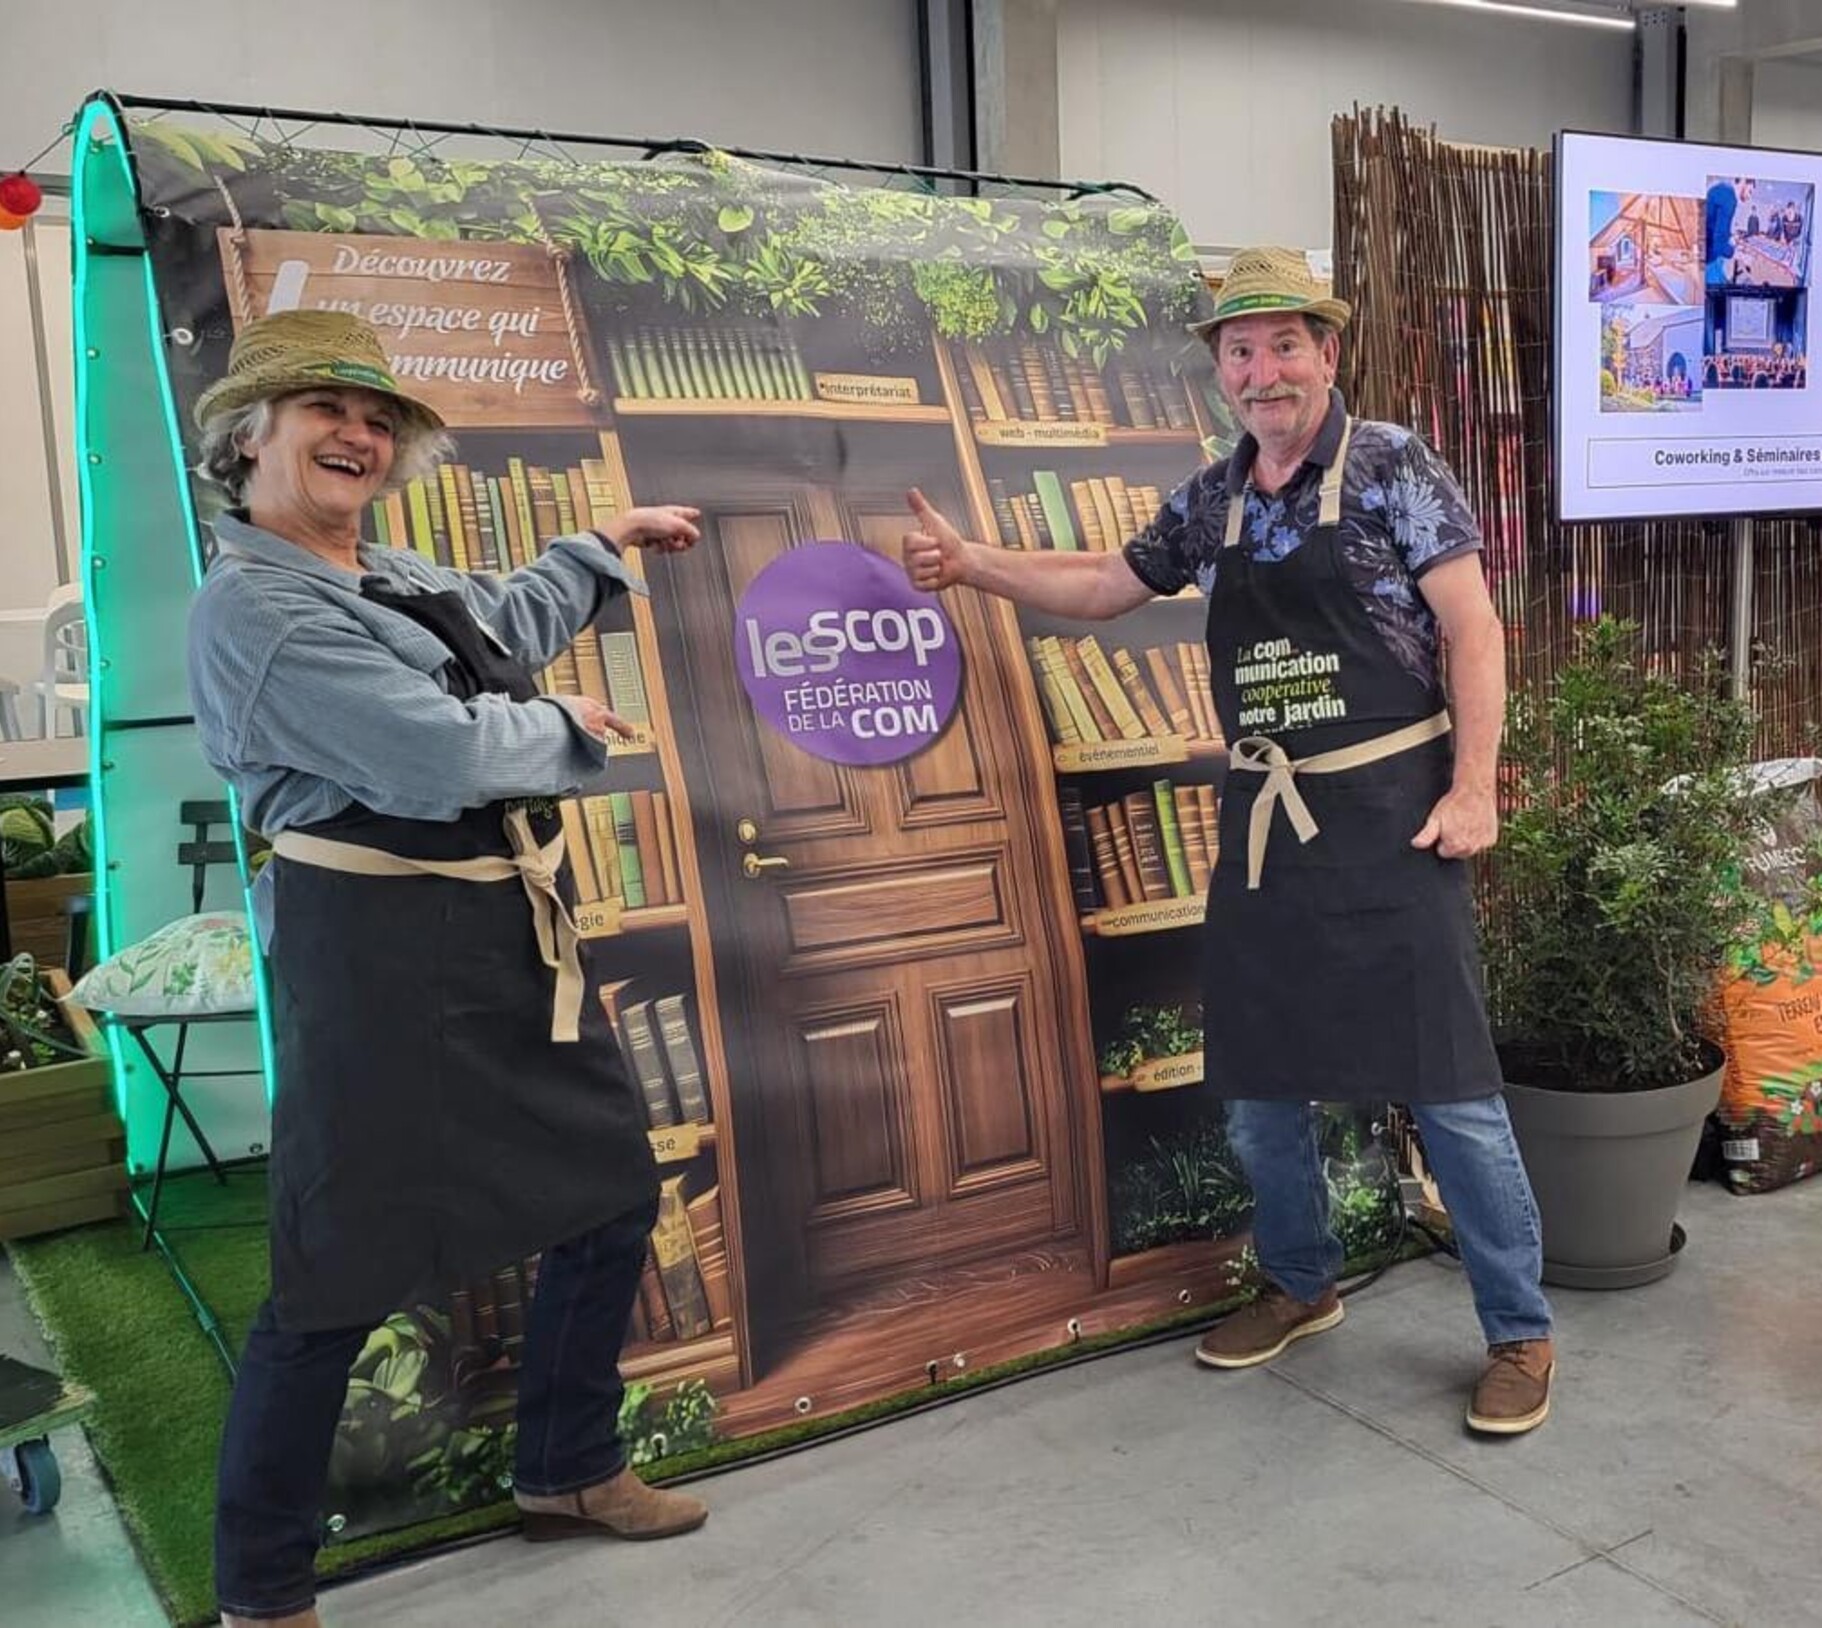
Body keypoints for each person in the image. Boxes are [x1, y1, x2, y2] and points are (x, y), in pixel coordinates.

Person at [901, 246, 1555, 1437]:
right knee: (1259, 1083)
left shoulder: (1395, 467)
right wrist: (972, 567)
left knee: (1448, 1087)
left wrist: (1474, 787)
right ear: (1221, 370)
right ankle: (1301, 1283)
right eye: (1239, 351)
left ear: (1327, 353)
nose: (1262, 371)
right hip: (1266, 827)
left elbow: (1472, 629)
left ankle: (1518, 1329)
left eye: (1282, 345)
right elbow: (1107, 582)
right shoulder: (1218, 495)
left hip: (1395, 816)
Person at [188, 311, 708, 1628]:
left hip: (496, 936)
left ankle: (569, 1469)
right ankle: (263, 1586)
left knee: (606, 1187)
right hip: (367, 953)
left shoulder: (386, 572)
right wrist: (564, 728)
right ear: (250, 440)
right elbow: (434, 754)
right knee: (336, 1267)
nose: (358, 437)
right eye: (326, 413)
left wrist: (602, 552)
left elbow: (495, 625)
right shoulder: (250, 608)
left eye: (378, 421)